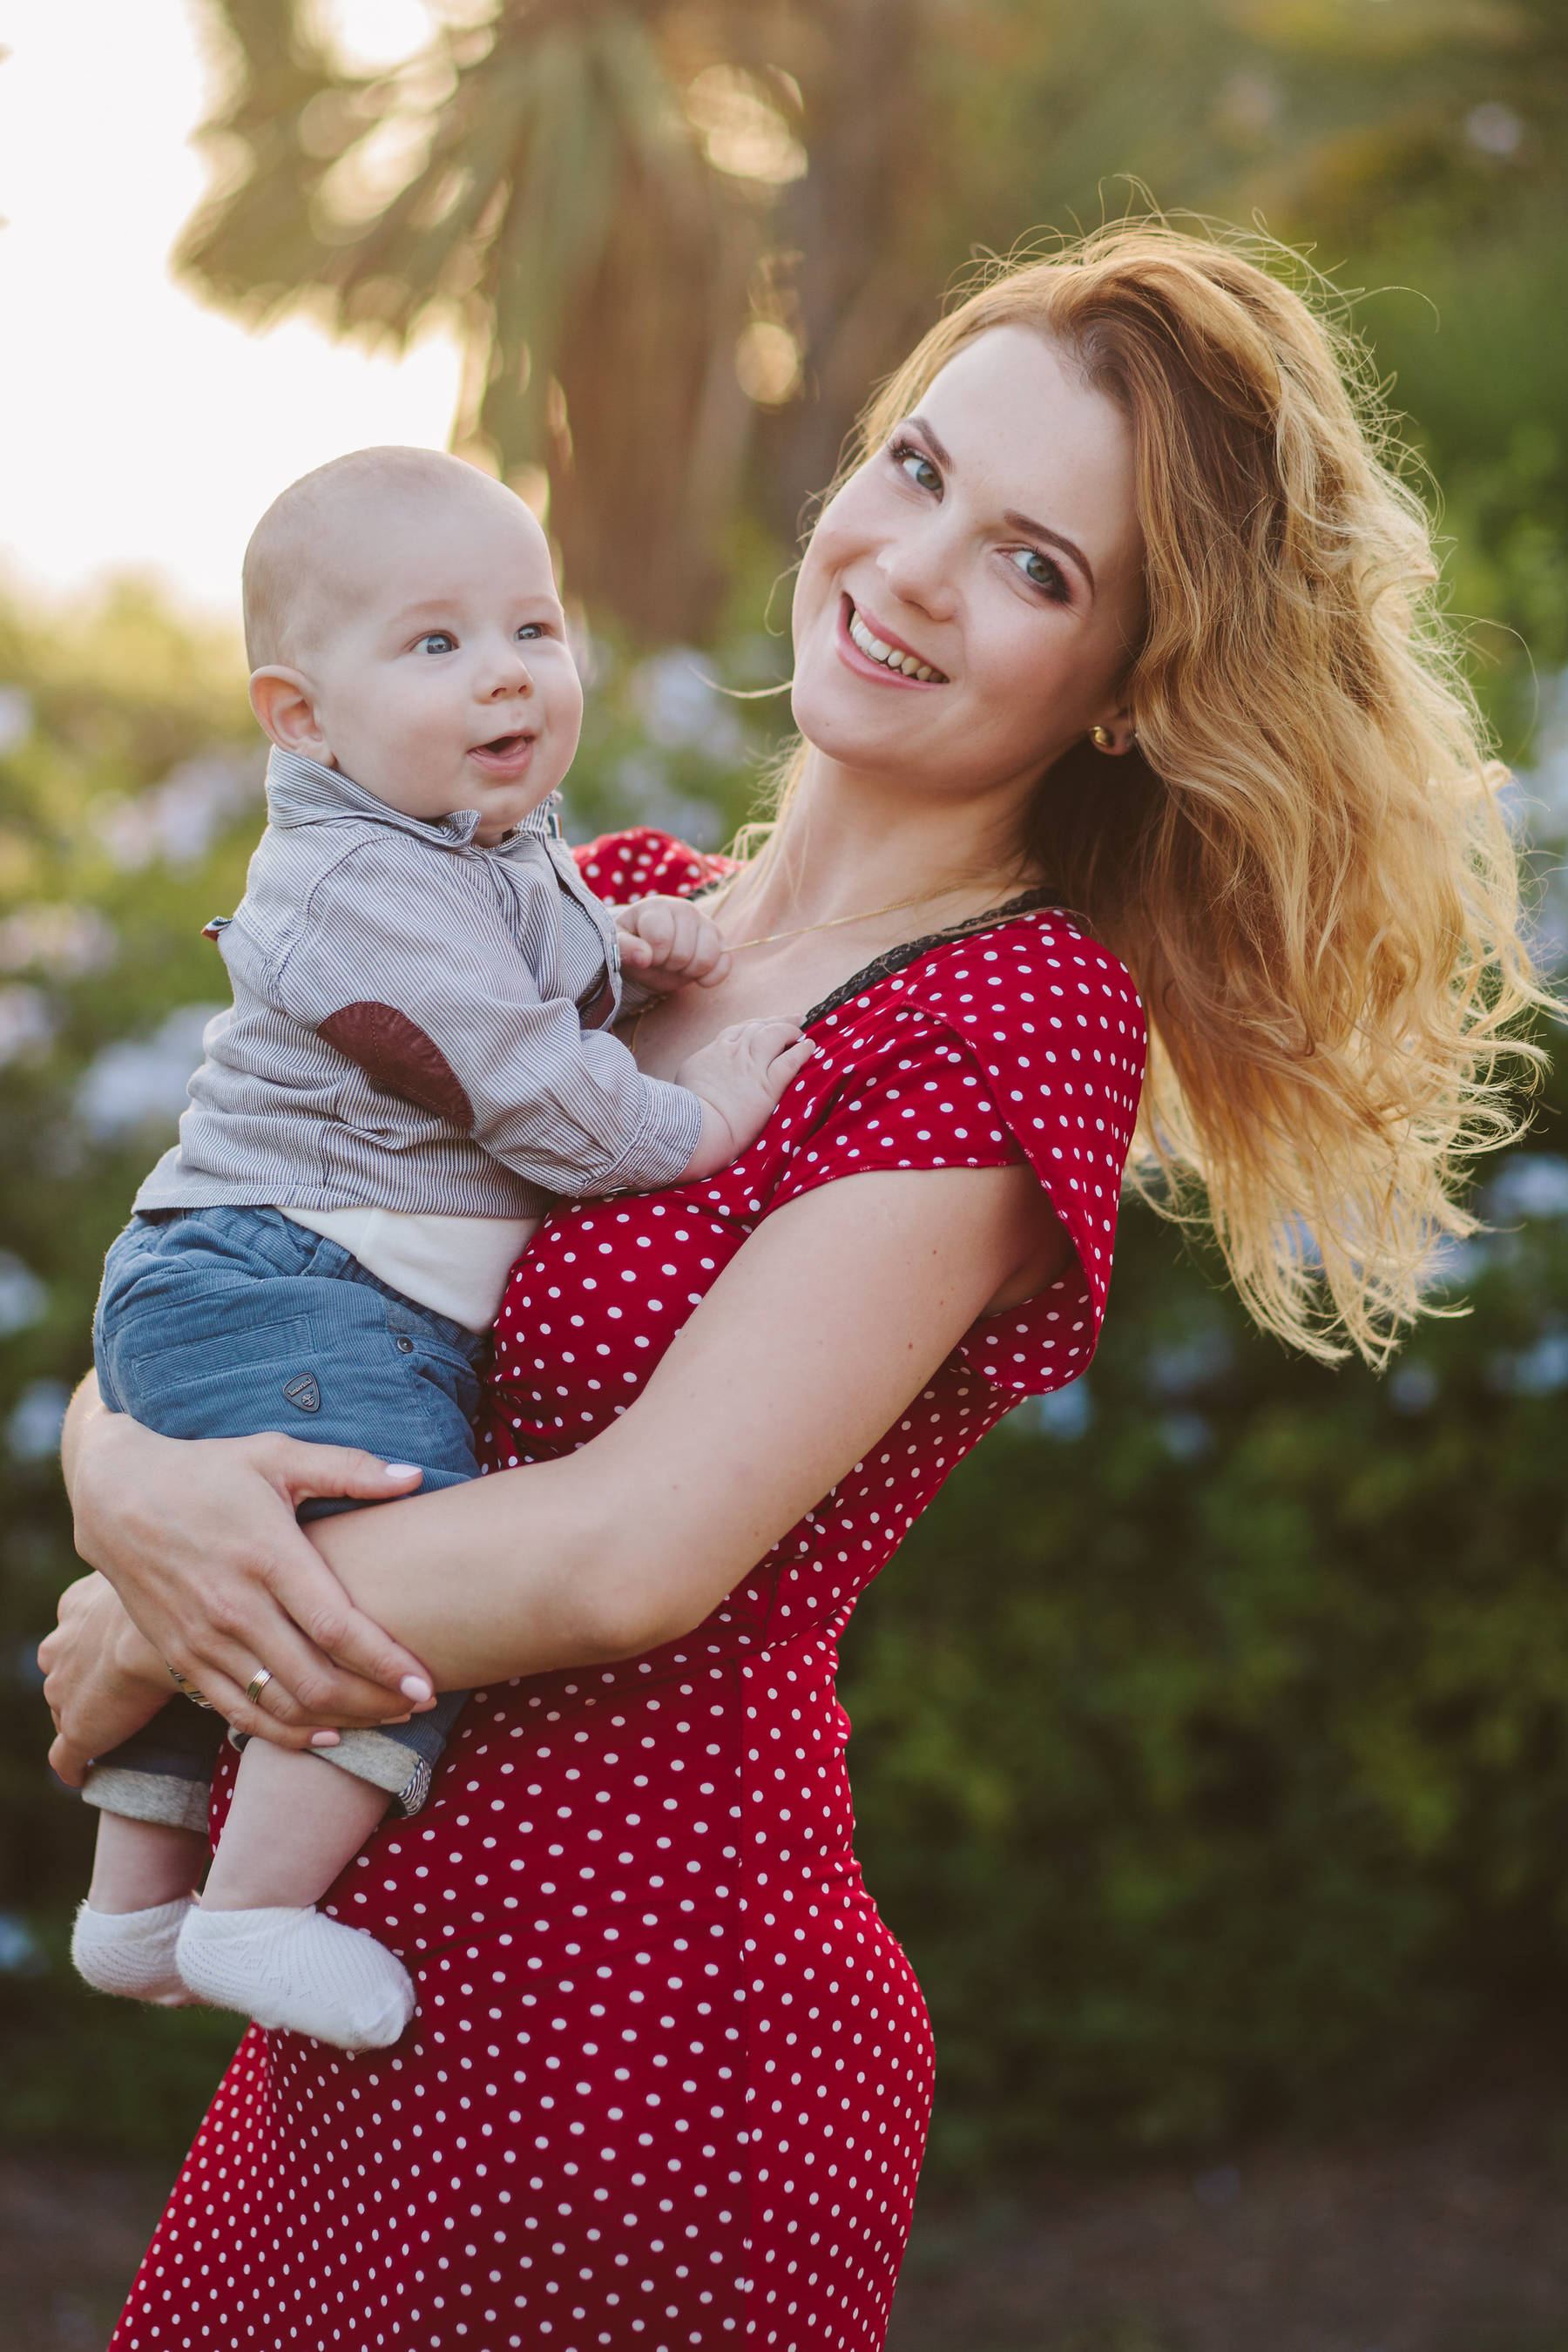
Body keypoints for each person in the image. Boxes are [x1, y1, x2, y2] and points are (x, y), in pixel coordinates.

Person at [41, 224, 1545, 2352]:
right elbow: (238, 1233)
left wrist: (165, 1607)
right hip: (343, 2011)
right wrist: (134, 1492)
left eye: (1040, 566)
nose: (920, 568)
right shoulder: (603, 908)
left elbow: (635, 1547)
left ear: (1129, 692)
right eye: (921, 469)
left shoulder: (1003, 1017)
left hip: (644, 2040)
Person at [71, 445, 811, 2052]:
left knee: (247, 1558)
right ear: (301, 718)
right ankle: (252, 1907)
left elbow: (536, 960)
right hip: (297, 1272)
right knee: (389, 1555)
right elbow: (528, 1088)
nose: (507, 675)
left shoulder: (466, 838)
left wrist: (633, 945)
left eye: (533, 629)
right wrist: (706, 1122)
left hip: (264, 1269)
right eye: (436, 645)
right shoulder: (362, 881)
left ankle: (134, 1907)